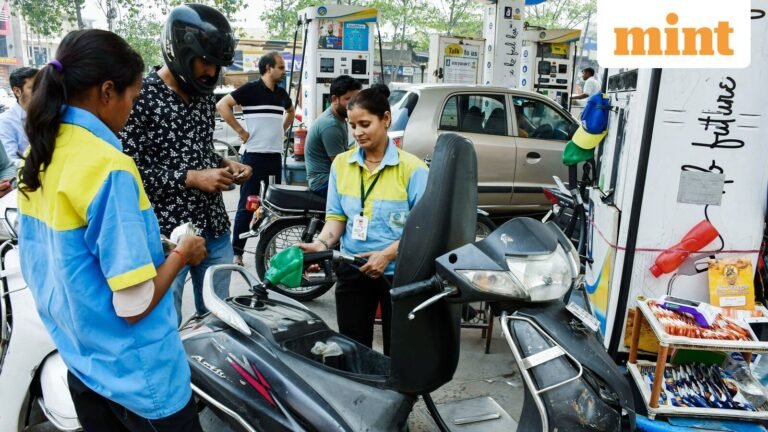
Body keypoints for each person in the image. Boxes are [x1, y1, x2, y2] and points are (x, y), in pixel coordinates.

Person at [17, 29, 208, 432]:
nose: (132, 110)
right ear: (107, 91)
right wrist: (183, 252)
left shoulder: (41, 153)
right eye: (133, 98)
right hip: (139, 381)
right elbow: (134, 304)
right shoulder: (109, 166)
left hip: (83, 362)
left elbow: (67, 257)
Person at [120, 4, 252, 320]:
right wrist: (191, 178)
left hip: (214, 226)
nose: (211, 72)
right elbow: (128, 173)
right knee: (166, 322)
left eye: (217, 65)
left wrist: (227, 164)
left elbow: (200, 150)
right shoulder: (140, 97)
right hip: (166, 236)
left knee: (219, 318)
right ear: (179, 51)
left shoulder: (205, 96)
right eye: (205, 62)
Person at [299, 85, 429, 355]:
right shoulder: (341, 165)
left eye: (365, 124)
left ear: (386, 119)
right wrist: (321, 244)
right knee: (353, 347)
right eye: (353, 125)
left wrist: (386, 255)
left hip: (400, 273)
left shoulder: (413, 169)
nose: (358, 132)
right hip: (353, 267)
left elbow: (424, 230)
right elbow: (336, 219)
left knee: (400, 351)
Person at [216, 51, 294, 266]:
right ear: (268, 68)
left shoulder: (281, 94)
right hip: (253, 157)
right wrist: (240, 131)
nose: (283, 71)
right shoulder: (250, 90)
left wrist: (281, 131)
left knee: (271, 206)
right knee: (247, 204)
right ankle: (237, 251)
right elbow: (222, 105)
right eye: (280, 67)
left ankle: (267, 247)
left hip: (274, 157)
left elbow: (291, 111)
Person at [304, 75, 361, 196]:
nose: (354, 105)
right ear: (335, 99)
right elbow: (341, 166)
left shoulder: (340, 119)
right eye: (349, 100)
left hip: (331, 177)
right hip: (323, 182)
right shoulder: (331, 125)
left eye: (357, 100)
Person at [0, 66, 38, 166]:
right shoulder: (5, 121)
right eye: (34, 88)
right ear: (17, 91)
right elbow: (10, 161)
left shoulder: (49, 114)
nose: (41, 92)